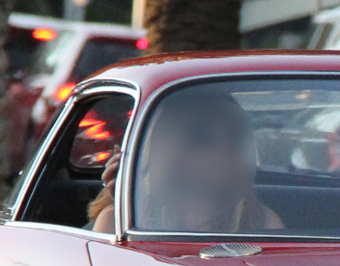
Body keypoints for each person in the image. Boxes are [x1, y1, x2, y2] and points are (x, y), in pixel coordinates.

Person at [88, 93, 282, 234]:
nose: (223, 156)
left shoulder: (263, 223)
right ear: (159, 149)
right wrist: (135, 206)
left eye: (235, 141)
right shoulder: (116, 224)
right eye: (200, 138)